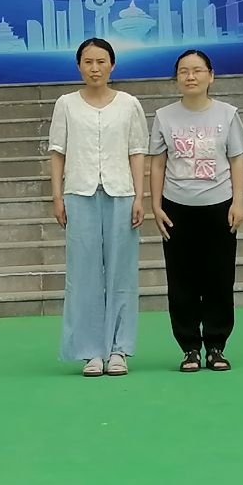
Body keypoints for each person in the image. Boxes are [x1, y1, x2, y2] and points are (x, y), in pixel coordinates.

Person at [48, 38, 149, 377]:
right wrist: (57, 196)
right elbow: (57, 152)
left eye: (101, 61)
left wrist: (140, 196)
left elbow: (137, 151)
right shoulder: (66, 104)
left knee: (122, 273)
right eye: (88, 62)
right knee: (83, 274)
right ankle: (90, 350)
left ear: (112, 65)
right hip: (79, 193)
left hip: (121, 193)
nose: (95, 68)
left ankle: (119, 349)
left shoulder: (129, 104)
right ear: (79, 66)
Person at [149, 49, 243, 373]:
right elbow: (157, 163)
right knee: (181, 281)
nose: (190, 76)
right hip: (176, 207)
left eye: (197, 70)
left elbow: (236, 160)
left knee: (219, 279)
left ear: (211, 76)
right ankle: (190, 348)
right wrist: (155, 205)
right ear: (176, 78)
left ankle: (216, 346)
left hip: (219, 206)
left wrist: (238, 202)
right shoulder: (164, 116)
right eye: (183, 71)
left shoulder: (227, 114)